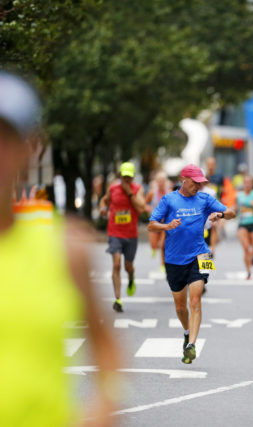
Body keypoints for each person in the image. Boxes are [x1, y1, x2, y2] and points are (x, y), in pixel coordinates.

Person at [0, 70, 120, 426]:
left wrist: (103, 408)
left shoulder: (65, 248)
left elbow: (105, 344)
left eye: (5, 138)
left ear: (31, 147)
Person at [148, 164, 236, 364]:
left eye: (201, 183)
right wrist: (166, 226)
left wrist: (220, 215)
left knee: (196, 300)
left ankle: (192, 345)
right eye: (195, 182)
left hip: (202, 255)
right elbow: (151, 225)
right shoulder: (169, 200)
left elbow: (231, 212)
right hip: (174, 259)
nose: (198, 186)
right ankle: (187, 332)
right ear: (184, 180)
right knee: (180, 307)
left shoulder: (204, 199)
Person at [99, 161, 146, 313]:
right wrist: (102, 208)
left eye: (129, 177)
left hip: (131, 235)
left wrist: (129, 193)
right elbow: (104, 200)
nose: (126, 180)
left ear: (132, 178)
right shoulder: (113, 189)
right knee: (117, 264)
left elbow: (141, 207)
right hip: (115, 233)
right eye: (124, 176)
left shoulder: (137, 190)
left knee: (128, 266)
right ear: (120, 175)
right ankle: (118, 299)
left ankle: (131, 277)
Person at [146, 170, 171, 269]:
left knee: (163, 244)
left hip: (165, 223)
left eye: (163, 181)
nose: (161, 183)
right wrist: (148, 209)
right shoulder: (152, 193)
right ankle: (154, 249)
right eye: (159, 181)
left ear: (165, 182)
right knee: (154, 245)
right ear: (156, 182)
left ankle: (163, 265)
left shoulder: (169, 194)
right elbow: (145, 203)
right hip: (154, 222)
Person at [236, 175, 253, 279]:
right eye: (245, 182)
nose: (247, 184)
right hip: (242, 224)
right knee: (246, 248)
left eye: (249, 182)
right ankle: (248, 271)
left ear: (252, 184)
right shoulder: (238, 195)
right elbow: (235, 207)